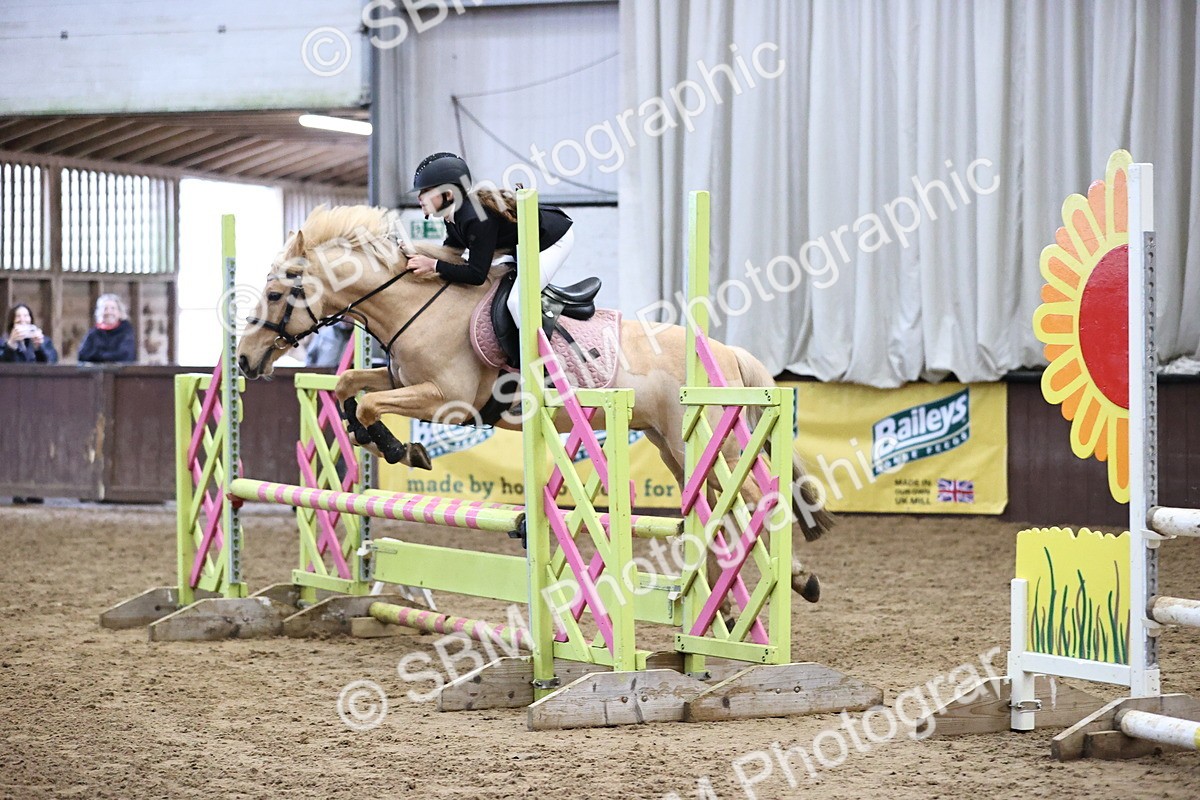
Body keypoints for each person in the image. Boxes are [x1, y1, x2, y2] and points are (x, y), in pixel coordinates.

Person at [404, 152, 575, 327]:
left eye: (426, 191)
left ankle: (538, 354)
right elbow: (451, 254)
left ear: (448, 195)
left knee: (517, 302)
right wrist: (415, 252)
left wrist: (432, 265)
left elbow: (477, 274)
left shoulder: (476, 219)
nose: (419, 197)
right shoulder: (453, 217)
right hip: (521, 245)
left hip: (552, 241)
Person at [78, 294, 136, 363]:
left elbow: (124, 356)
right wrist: (106, 357)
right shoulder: (93, 333)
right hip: (95, 373)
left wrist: (97, 356)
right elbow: (82, 355)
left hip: (121, 373)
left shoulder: (126, 332)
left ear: (119, 313)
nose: (109, 312)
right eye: (105, 308)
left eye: (113, 308)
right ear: (99, 312)